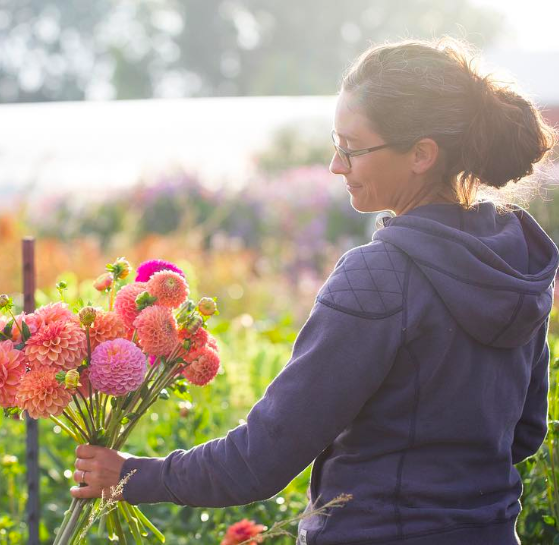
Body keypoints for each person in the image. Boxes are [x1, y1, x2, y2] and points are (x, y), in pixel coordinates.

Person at [69, 37, 558, 544]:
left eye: (353, 148)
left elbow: (260, 460)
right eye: (335, 143)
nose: (336, 165)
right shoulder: (516, 259)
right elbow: (522, 433)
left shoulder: (379, 277)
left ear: (422, 154)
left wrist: (130, 474)